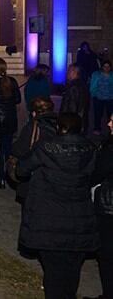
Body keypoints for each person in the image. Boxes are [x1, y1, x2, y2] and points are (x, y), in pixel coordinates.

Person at [17, 113, 99, 299]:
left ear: (59, 128)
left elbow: (22, 169)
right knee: (72, 273)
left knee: (53, 273)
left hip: (50, 220)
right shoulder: (91, 150)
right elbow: (94, 176)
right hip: (80, 221)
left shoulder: (46, 148)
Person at [11, 96, 56, 206]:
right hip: (54, 177)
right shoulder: (59, 124)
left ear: (34, 112)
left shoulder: (33, 126)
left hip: (34, 176)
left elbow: (20, 150)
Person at [0, 57, 21, 188]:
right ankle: (8, 175)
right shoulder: (12, 81)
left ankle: (0, 177)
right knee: (7, 149)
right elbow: (17, 99)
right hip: (10, 120)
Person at [92, 113, 113, 299]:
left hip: (109, 206)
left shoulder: (111, 150)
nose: (108, 123)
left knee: (106, 255)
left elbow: (99, 172)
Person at [60, 64, 91, 133]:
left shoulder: (73, 87)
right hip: (80, 120)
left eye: (68, 70)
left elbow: (71, 107)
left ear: (74, 72)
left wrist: (65, 122)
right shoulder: (82, 84)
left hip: (72, 123)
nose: (67, 73)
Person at [90, 60, 113, 135]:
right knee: (98, 114)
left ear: (110, 67)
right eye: (105, 66)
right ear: (102, 67)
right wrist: (93, 94)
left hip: (110, 98)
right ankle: (97, 128)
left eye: (108, 67)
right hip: (98, 97)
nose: (106, 68)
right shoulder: (96, 74)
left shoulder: (112, 75)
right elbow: (93, 85)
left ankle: (111, 129)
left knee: (110, 115)